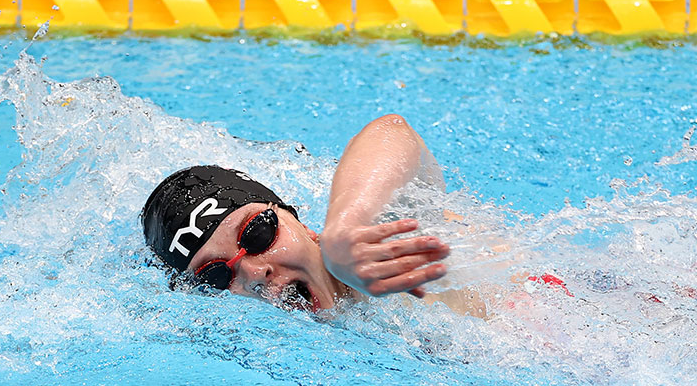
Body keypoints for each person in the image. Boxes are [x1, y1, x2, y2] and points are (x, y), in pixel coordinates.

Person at [142, 114, 482, 314]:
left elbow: (393, 132)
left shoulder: (388, 240)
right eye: (215, 276)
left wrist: (348, 223)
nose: (256, 273)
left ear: (300, 223)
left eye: (257, 234)